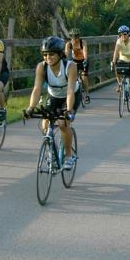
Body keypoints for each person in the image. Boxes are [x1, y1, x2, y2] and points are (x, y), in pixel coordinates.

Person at [24, 36, 79, 170]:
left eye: (51, 54)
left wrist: (69, 110)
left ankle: (68, 156)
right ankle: (52, 151)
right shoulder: (41, 67)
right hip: (54, 96)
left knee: (62, 123)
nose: (48, 57)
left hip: (70, 95)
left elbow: (71, 90)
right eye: (45, 54)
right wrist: (31, 107)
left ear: (60, 54)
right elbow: (37, 89)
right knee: (44, 124)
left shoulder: (70, 66)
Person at [111, 25, 130, 109]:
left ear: (128, 34)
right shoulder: (119, 41)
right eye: (121, 34)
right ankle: (120, 84)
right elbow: (116, 52)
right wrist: (113, 61)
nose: (123, 36)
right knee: (116, 67)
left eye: (125, 34)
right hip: (123, 60)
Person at [65, 28, 90, 104]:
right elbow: (66, 54)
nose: (75, 38)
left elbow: (85, 52)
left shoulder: (83, 42)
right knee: (71, 78)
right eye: (73, 36)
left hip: (83, 61)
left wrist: (85, 60)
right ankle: (71, 94)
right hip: (74, 61)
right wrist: (67, 62)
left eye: (76, 36)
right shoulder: (68, 44)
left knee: (84, 77)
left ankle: (87, 95)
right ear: (70, 37)